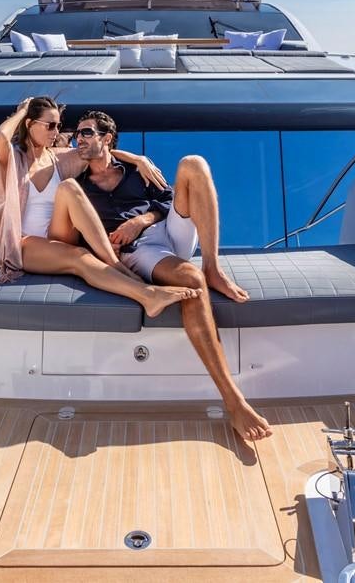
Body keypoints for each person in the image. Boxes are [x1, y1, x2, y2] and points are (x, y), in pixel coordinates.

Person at [74, 109, 272, 442]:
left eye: (85, 133)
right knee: (191, 282)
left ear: (106, 139)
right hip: (140, 252)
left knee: (193, 164)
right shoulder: (78, 185)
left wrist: (140, 219)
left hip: (164, 230)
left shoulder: (137, 172)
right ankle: (234, 401)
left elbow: (167, 199)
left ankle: (212, 266)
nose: (77, 139)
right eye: (75, 134)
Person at [0, 96, 199, 319]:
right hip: (25, 244)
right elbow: (1, 138)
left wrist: (138, 160)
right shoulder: (13, 161)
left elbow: (100, 152)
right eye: (50, 125)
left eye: (58, 125)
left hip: (59, 234)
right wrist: (22, 111)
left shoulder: (59, 158)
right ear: (30, 124)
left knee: (69, 187)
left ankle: (115, 265)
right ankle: (145, 292)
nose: (56, 131)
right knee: (80, 257)